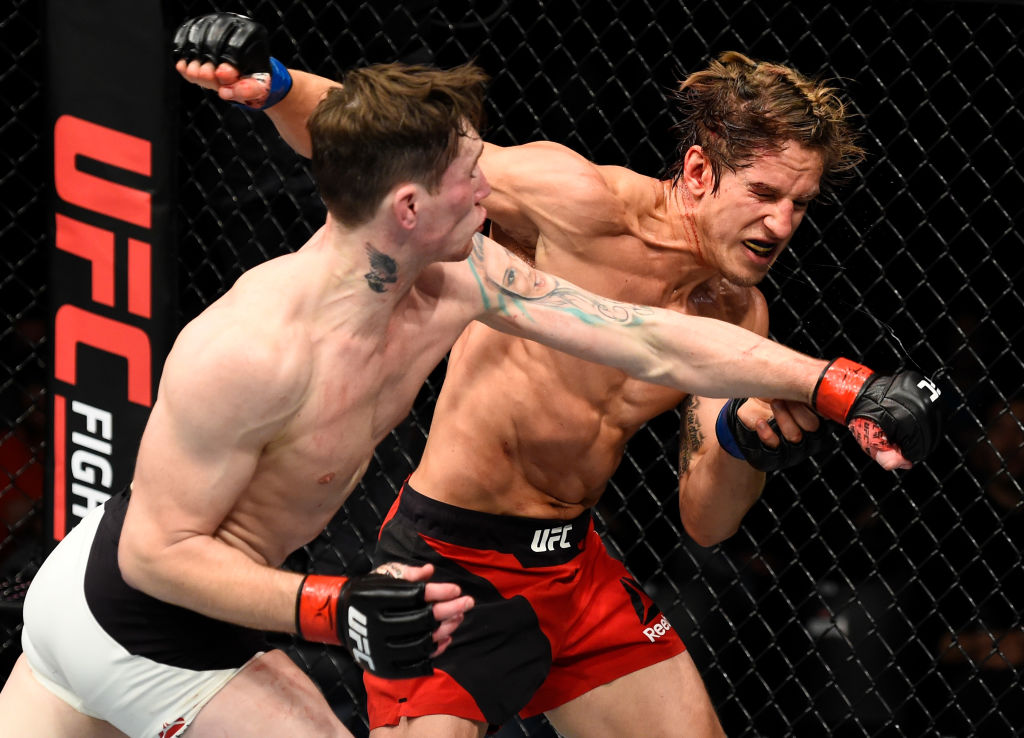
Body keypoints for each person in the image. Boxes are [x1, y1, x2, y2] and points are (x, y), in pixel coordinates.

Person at [41, 14, 942, 738]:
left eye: (802, 205)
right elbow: (391, 145)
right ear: (700, 171)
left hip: (574, 568)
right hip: (438, 563)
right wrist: (272, 85)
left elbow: (688, 462)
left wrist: (798, 408)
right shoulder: (554, 211)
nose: (784, 225)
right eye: (766, 195)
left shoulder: (710, 314)